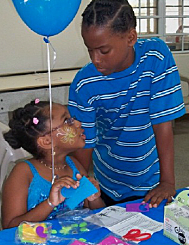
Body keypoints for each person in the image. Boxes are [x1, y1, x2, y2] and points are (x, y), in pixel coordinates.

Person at [68, 0, 186, 208]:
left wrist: (167, 182)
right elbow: (83, 146)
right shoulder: (85, 84)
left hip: (152, 182)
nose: (95, 59)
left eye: (103, 51)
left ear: (131, 38)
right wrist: (83, 193)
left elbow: (162, 123)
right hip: (108, 182)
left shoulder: (155, 57)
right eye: (90, 50)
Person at [2, 100, 105, 229]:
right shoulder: (23, 172)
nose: (78, 123)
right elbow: (9, 228)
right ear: (46, 141)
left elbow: (100, 216)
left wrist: (94, 198)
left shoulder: (74, 166)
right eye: (67, 121)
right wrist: (50, 203)